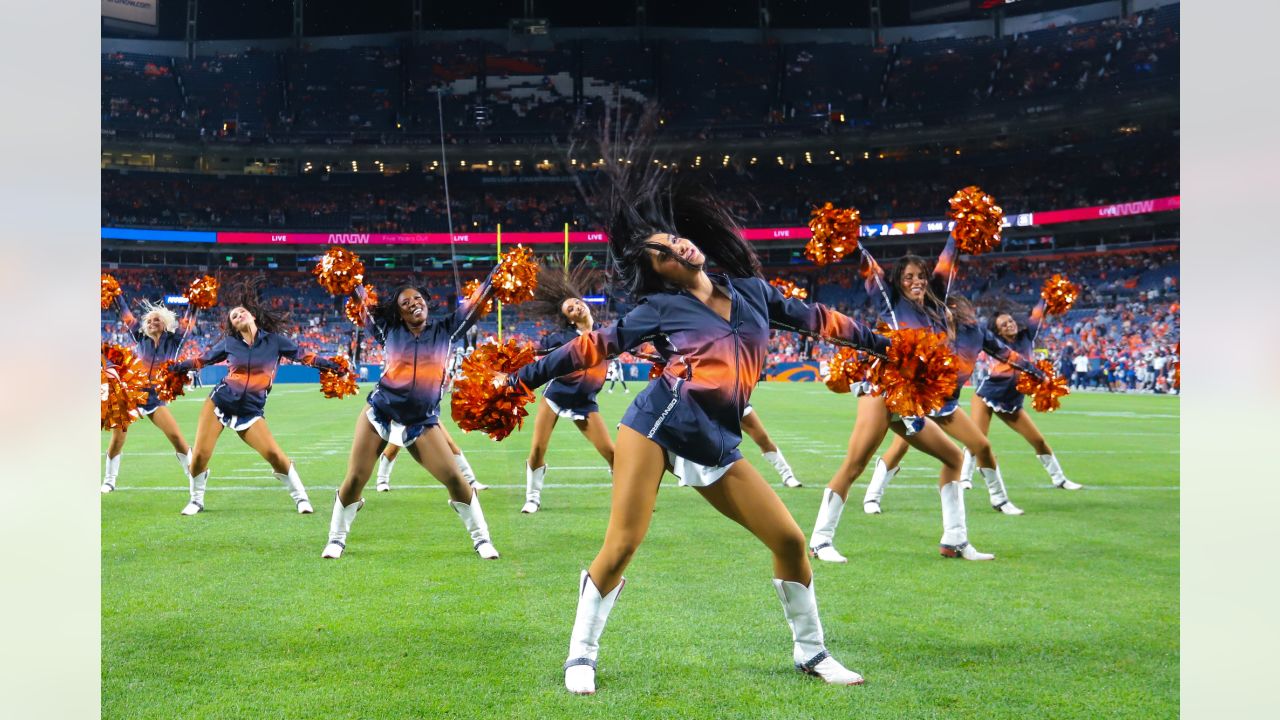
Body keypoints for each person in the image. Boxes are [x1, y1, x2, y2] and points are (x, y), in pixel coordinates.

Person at [505, 135, 888, 693]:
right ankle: (581, 656)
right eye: (663, 250)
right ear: (659, 270)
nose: (677, 247)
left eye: (676, 239)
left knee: (788, 540)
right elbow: (592, 348)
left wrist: (886, 347)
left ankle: (813, 654)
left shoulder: (754, 291)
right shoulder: (661, 306)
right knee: (623, 543)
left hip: (714, 439)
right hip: (656, 425)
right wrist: (520, 378)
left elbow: (820, 320)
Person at [809, 250, 996, 565]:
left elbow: (947, 264)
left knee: (952, 457)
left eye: (920, 276)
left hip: (909, 401)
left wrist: (960, 233)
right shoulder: (891, 303)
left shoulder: (934, 313)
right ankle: (820, 540)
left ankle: (955, 539)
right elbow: (869, 266)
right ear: (898, 282)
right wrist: (852, 243)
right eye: (909, 277)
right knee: (855, 465)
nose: (917, 282)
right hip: (882, 390)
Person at [321, 274, 501, 560]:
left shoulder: (446, 330)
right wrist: (351, 279)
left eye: (417, 299)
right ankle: (336, 538)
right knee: (355, 477)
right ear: (399, 311)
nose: (414, 304)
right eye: (406, 303)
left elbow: (475, 305)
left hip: (421, 421)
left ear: (426, 302)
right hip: (380, 413)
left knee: (455, 478)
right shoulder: (388, 330)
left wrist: (494, 279)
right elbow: (364, 303)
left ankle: (481, 539)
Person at [171, 279, 344, 515]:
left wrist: (330, 365)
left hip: (251, 410)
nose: (238, 315)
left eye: (241, 312)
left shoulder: (275, 341)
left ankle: (301, 497)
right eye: (233, 316)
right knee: (200, 456)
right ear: (233, 326)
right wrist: (177, 367)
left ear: (252, 316)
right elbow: (202, 360)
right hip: (219, 402)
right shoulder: (229, 343)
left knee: (274, 454)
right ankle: (196, 499)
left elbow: (305, 356)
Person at [861, 294, 1025, 516]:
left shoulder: (975, 334)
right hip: (919, 399)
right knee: (900, 446)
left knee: (982, 445)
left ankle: (1000, 499)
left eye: (962, 308)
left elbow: (1008, 354)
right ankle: (872, 496)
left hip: (947, 405)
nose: (957, 312)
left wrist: (1035, 372)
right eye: (950, 309)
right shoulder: (928, 329)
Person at [520, 260, 615, 514]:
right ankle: (532, 496)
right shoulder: (562, 339)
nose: (575, 307)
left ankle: (627, 496)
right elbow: (539, 350)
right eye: (569, 309)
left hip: (585, 401)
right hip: (556, 396)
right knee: (538, 448)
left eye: (575, 302)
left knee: (612, 453)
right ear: (569, 319)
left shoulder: (607, 334)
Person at [970, 304, 1083, 491]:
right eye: (1003, 325)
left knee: (1038, 440)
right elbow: (976, 330)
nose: (1009, 325)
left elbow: (1038, 313)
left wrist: (1047, 298)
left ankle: (1059, 479)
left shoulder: (1027, 335)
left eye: (1010, 321)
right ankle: (964, 478)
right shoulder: (994, 342)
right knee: (977, 439)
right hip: (988, 394)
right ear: (997, 330)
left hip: (1012, 401)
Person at [101, 300, 193, 493]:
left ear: (165, 323)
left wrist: (195, 303)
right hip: (132, 394)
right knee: (118, 439)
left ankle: (193, 472)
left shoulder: (174, 341)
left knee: (176, 436)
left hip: (155, 398)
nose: (151, 323)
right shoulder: (140, 337)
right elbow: (126, 315)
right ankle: (109, 480)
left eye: (156, 320)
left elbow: (188, 322)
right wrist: (117, 295)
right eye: (149, 320)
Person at [373, 425, 488, 493]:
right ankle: (382, 480)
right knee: (395, 446)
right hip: (405, 408)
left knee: (449, 442)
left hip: (427, 407)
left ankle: (470, 480)